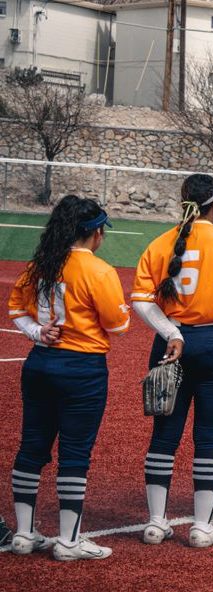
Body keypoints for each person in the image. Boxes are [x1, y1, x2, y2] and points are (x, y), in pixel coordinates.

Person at [132, 174, 213, 548]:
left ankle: (156, 522)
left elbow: (141, 300)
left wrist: (172, 332)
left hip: (172, 342)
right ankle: (201, 526)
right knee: (211, 436)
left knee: (164, 435)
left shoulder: (160, 243)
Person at [7, 197, 128, 561]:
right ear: (93, 233)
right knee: (75, 454)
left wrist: (36, 332)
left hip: (41, 363)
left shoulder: (40, 265)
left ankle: (24, 534)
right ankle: (68, 541)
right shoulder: (99, 271)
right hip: (83, 369)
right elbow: (118, 325)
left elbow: (16, 310)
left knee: (31, 447)